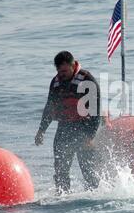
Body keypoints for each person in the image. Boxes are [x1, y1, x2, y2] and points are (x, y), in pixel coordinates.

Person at [35, 51, 101, 194]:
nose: (61, 74)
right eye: (59, 71)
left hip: (84, 128)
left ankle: (94, 195)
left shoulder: (87, 80)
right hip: (64, 128)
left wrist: (90, 137)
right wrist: (41, 131)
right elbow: (49, 108)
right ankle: (62, 195)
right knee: (60, 170)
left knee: (88, 171)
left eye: (64, 71)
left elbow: (96, 112)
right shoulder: (56, 82)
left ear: (73, 66)